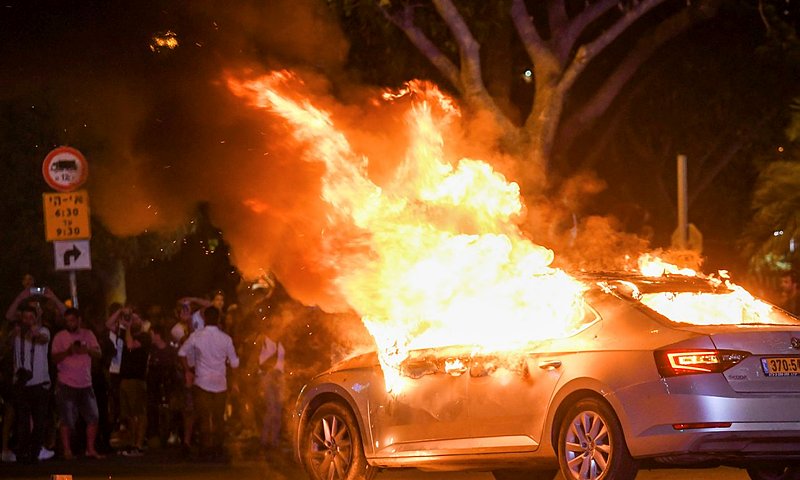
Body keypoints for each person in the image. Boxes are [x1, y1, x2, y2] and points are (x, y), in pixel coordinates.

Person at [178, 307, 238, 461]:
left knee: (204, 417)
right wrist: (235, 381)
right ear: (218, 319)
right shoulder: (225, 339)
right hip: (220, 383)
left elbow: (182, 353)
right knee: (218, 418)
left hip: (202, 382)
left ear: (204, 318)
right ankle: (218, 449)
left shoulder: (197, 336)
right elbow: (234, 363)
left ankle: (205, 450)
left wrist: (187, 371)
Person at [51, 308, 104, 460]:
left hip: (86, 383)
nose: (70, 323)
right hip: (66, 383)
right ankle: (67, 450)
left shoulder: (88, 334)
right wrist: (68, 352)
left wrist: (86, 349)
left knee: (93, 417)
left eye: (72, 320)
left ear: (79, 320)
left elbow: (99, 354)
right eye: (67, 321)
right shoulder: (60, 337)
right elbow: (54, 359)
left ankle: (90, 449)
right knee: (66, 418)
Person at [10, 304, 53, 464]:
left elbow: (43, 339)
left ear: (36, 318)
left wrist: (32, 328)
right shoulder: (15, 334)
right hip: (21, 383)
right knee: (22, 421)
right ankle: (22, 453)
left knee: (39, 421)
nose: (27, 321)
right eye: (25, 318)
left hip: (39, 383)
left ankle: (35, 453)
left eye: (31, 317)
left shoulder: (43, 331)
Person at [115, 307, 150, 456]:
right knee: (128, 414)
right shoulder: (124, 333)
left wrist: (127, 328)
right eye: (131, 318)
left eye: (135, 319)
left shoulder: (145, 337)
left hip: (137, 380)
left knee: (139, 413)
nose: (133, 321)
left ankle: (139, 444)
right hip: (124, 378)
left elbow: (130, 346)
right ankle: (132, 443)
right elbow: (108, 325)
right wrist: (120, 313)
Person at [257, 321, 285, 451]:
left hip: (280, 377)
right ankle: (264, 439)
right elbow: (257, 361)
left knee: (278, 409)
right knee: (271, 407)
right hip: (267, 376)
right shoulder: (262, 340)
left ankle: (274, 440)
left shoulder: (281, 342)